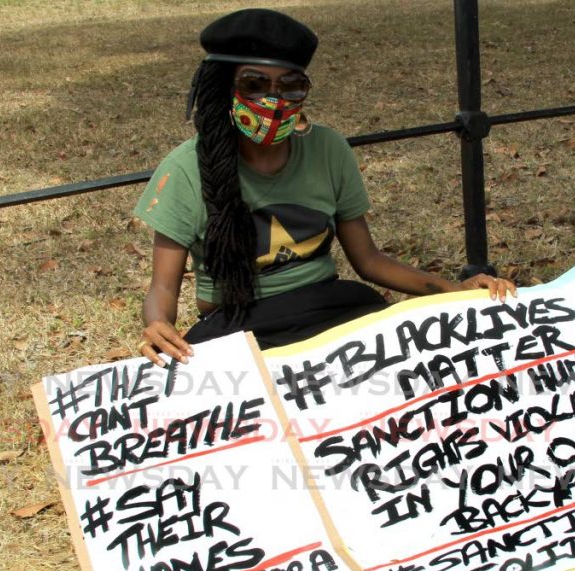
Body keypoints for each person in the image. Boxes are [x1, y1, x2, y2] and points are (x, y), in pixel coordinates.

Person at [134, 8, 515, 366]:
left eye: (291, 86)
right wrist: (157, 324)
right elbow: (163, 287)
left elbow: (369, 260)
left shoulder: (328, 149)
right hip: (236, 325)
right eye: (254, 84)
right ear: (223, 89)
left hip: (329, 307)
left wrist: (452, 288)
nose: (274, 100)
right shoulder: (184, 170)